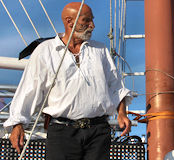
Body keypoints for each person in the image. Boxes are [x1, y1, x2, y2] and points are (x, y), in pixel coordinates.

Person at [4, 2, 132, 160]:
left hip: (98, 132)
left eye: (92, 20)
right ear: (69, 21)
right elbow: (29, 88)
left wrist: (122, 114)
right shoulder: (45, 50)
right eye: (86, 20)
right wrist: (17, 124)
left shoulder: (101, 50)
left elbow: (116, 86)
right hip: (61, 133)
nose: (92, 25)